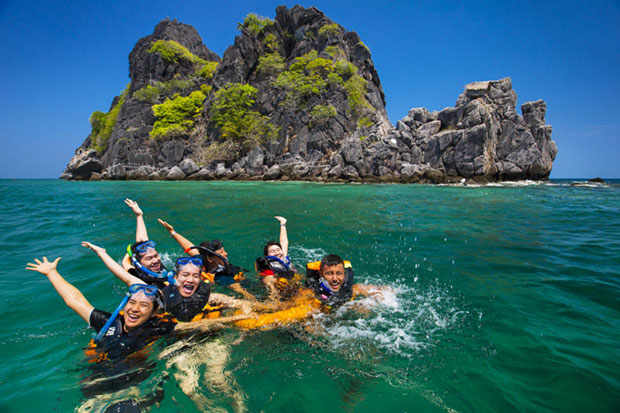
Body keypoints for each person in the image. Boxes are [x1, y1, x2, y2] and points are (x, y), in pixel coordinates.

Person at [82, 242, 274, 323]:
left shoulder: (203, 289)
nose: (190, 279)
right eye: (185, 276)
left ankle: (270, 307)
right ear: (177, 278)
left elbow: (196, 256)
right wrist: (102, 254)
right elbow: (124, 276)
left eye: (195, 276)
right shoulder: (159, 293)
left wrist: (255, 307)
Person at [158, 219, 256, 301]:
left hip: (243, 278)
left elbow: (237, 288)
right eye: (221, 252)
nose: (226, 254)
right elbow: (191, 249)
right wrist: (172, 232)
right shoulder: (200, 262)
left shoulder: (222, 276)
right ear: (209, 258)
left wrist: (251, 298)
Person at [122, 199, 170, 288]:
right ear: (138, 263)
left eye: (156, 255)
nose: (155, 260)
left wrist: (139, 216)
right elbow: (125, 266)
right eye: (149, 258)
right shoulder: (137, 276)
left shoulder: (157, 268)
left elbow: (143, 240)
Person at [305, 254, 383, 308]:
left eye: (339, 273)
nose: (335, 278)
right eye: (329, 274)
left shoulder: (354, 289)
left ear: (344, 274)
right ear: (321, 274)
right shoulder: (310, 294)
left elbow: (384, 292)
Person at [255, 216, 302, 301]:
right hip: (278, 286)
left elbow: (284, 242)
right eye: (272, 251)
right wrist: (273, 295)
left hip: (290, 282)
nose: (277, 253)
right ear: (267, 255)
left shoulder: (283, 258)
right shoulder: (268, 265)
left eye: (278, 250)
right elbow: (268, 281)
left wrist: (283, 223)